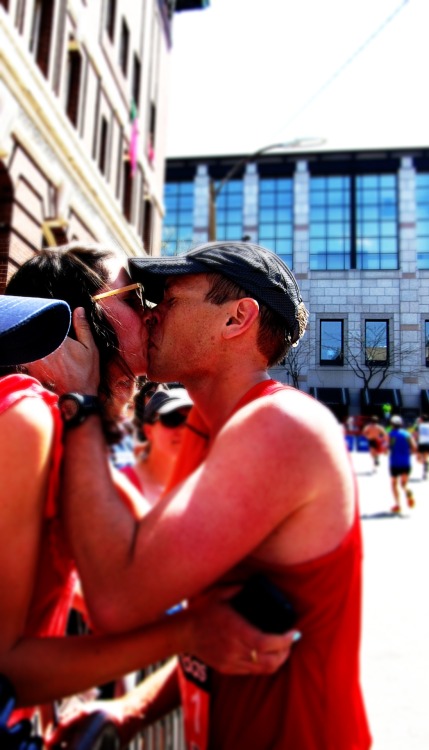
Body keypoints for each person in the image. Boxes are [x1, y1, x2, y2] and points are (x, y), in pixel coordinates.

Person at [47, 241, 371, 749]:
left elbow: (118, 599)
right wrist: (130, 711)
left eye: (169, 301)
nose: (149, 318)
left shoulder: (280, 426)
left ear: (237, 318)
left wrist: (83, 405)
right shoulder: (205, 426)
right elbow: (221, 634)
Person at [3, 245, 296, 741]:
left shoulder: (66, 427)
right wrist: (193, 632)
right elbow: (5, 669)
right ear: (81, 318)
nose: (156, 313)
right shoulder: (29, 417)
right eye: (138, 298)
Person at [388, 414, 417, 513]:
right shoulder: (407, 434)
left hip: (394, 462)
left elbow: (386, 447)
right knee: (404, 484)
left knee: (394, 484)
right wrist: (408, 453)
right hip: (406, 462)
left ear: (392, 424)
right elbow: (414, 447)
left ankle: (398, 505)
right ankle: (408, 491)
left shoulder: (391, 434)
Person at [415, 413, 429, 480]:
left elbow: (416, 436)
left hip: (421, 443)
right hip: (428, 443)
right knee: (426, 458)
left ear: (422, 420)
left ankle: (425, 471)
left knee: (420, 459)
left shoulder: (419, 426)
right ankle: (425, 471)